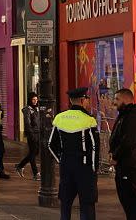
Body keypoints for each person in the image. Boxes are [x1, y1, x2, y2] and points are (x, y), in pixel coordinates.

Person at [49, 87, 99, 220]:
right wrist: (94, 168)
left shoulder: (59, 118)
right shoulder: (89, 120)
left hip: (66, 166)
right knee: (87, 204)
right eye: (87, 99)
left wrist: (61, 159)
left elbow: (50, 144)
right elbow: (94, 147)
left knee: (65, 203)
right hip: (85, 167)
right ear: (83, 100)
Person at [109, 88, 136, 219]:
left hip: (130, 166)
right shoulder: (125, 115)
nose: (114, 102)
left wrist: (115, 156)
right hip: (126, 165)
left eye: (117, 99)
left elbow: (128, 142)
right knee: (127, 201)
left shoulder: (131, 117)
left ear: (126, 100)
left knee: (131, 201)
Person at [15, 92, 41, 180]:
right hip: (32, 133)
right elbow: (27, 123)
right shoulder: (27, 110)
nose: (35, 101)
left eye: (36, 99)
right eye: (33, 99)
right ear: (30, 99)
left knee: (35, 152)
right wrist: (31, 134)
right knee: (33, 153)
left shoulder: (37, 109)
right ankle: (35, 173)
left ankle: (20, 166)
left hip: (38, 133)